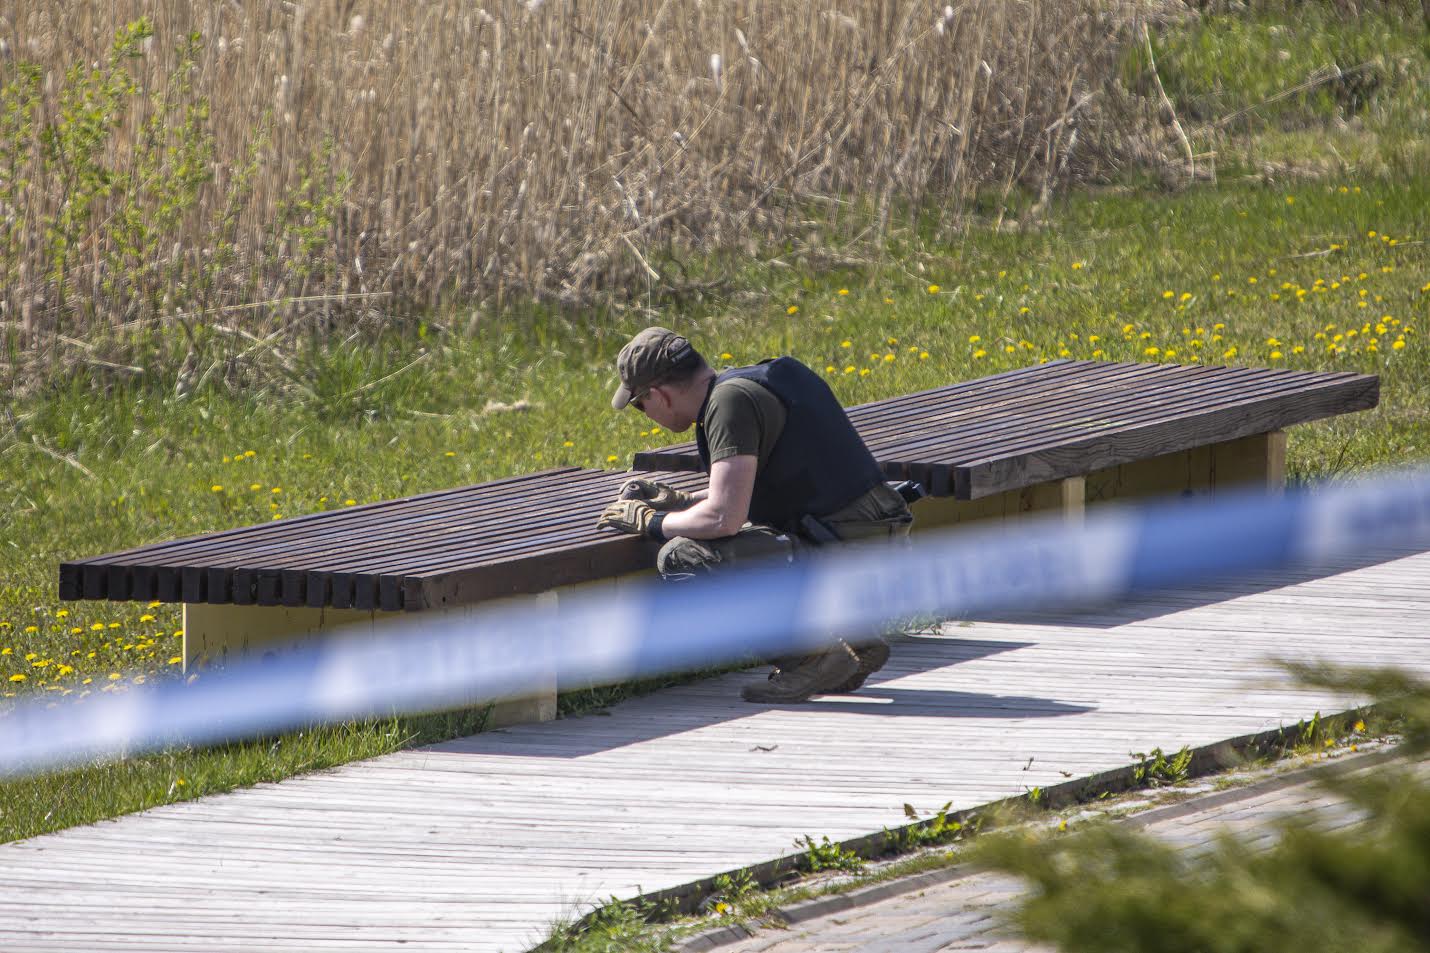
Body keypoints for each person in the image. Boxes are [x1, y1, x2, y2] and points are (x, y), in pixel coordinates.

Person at [595, 326, 914, 703]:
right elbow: (745, 491)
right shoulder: (748, 385)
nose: (644, 414)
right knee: (743, 542)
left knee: (684, 558)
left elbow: (723, 519)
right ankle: (856, 638)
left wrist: (650, 522)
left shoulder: (728, 406)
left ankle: (810, 659)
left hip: (850, 553)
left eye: (639, 405)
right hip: (873, 543)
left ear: (659, 395)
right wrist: (678, 500)